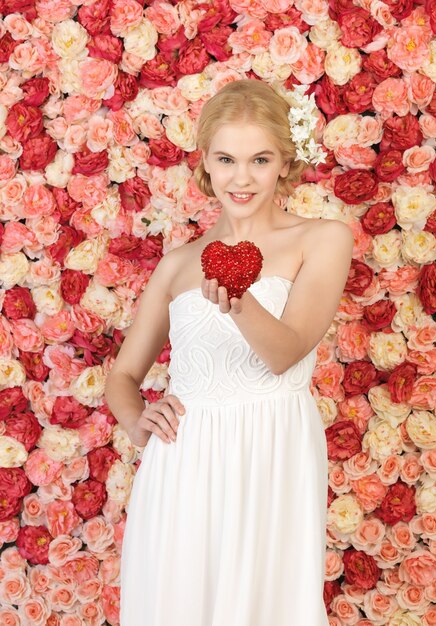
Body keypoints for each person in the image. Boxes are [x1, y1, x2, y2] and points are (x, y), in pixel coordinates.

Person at [105, 79, 354, 626]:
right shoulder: (177, 265)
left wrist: (236, 299)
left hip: (272, 449)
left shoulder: (323, 239)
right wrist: (137, 418)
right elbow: (123, 373)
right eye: (227, 159)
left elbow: (284, 353)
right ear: (207, 164)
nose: (242, 178)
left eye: (260, 159)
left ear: (285, 164)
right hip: (183, 459)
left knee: (266, 600)